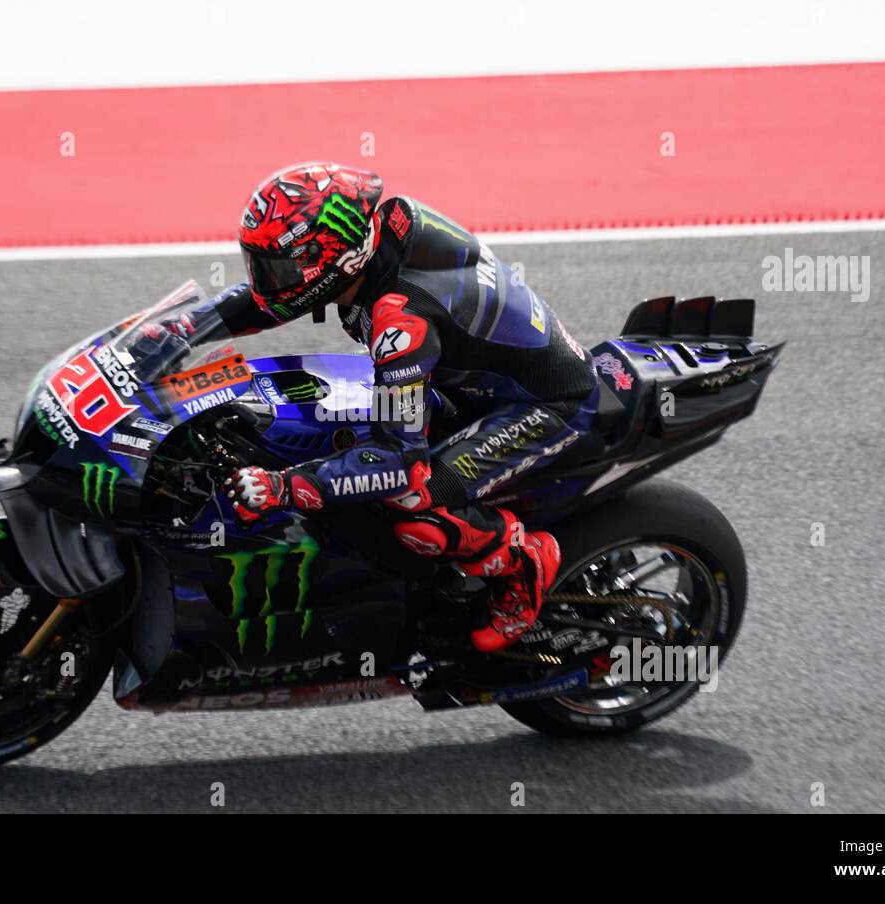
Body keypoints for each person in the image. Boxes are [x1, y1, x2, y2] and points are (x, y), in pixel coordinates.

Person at [212, 162, 598, 652]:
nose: (267, 280)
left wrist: (285, 488)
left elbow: (398, 463)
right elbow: (266, 301)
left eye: (278, 267)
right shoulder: (381, 230)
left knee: (412, 507)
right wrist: (177, 330)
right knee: (341, 431)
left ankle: (523, 561)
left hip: (545, 404)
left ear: (336, 258)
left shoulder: (400, 319)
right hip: (465, 380)